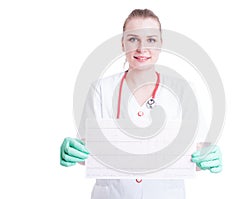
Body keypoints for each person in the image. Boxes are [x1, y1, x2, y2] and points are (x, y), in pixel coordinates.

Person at [60, 9, 222, 199]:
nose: (141, 48)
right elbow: (90, 156)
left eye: (151, 40)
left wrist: (208, 158)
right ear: (122, 44)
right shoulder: (100, 90)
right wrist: (73, 152)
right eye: (133, 39)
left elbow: (195, 157)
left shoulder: (184, 91)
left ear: (161, 44)